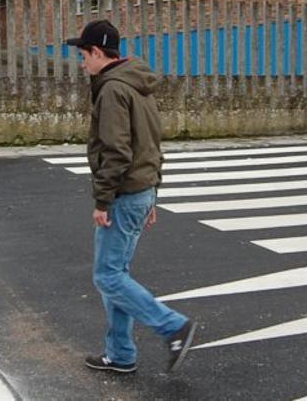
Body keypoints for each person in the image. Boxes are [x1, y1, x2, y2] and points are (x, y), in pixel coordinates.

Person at [65, 19, 197, 375]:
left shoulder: (112, 90)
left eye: (83, 55)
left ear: (97, 52)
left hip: (125, 194)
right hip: (141, 190)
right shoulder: (137, 84)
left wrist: (102, 201)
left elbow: (117, 151)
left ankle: (173, 326)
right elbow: (151, 143)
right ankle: (121, 354)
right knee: (116, 273)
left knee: (107, 277)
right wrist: (152, 193)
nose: (82, 63)